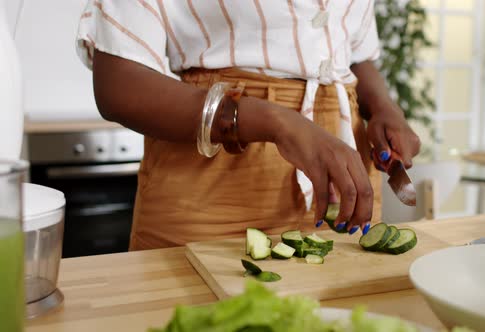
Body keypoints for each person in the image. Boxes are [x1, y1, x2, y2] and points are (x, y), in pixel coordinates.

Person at [76, 0, 420, 250]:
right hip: (209, 183)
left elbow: (355, 53)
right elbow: (118, 86)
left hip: (341, 182)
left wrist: (384, 108)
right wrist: (278, 121)